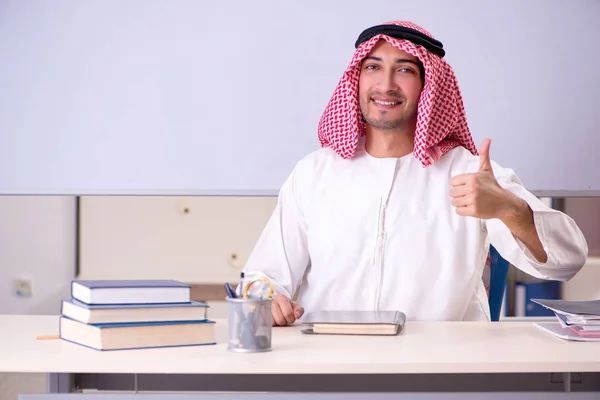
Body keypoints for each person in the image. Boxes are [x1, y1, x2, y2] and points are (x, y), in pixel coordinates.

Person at [240, 20, 589, 325]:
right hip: (328, 362)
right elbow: (263, 277)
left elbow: (566, 262)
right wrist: (264, 298)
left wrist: (509, 210)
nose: (386, 85)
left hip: (441, 369)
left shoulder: (471, 173)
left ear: (429, 85)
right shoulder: (314, 173)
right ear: (356, 79)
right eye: (373, 67)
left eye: (405, 69)